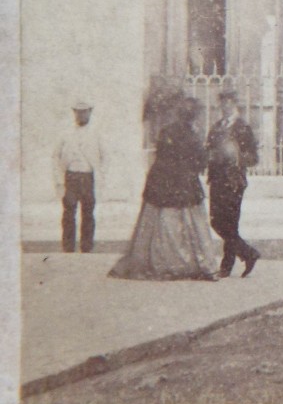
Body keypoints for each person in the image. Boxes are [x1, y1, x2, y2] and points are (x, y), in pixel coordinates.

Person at [110, 97, 221, 280]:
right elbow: (200, 162)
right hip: (184, 183)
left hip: (162, 181)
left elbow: (161, 154)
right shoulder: (193, 135)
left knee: (160, 223)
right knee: (191, 224)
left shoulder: (167, 131)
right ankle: (188, 264)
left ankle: (163, 263)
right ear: (193, 117)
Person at [206, 89, 261, 277]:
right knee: (215, 222)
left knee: (230, 224)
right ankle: (248, 253)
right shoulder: (216, 127)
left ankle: (226, 266)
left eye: (228, 102)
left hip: (233, 180)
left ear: (234, 104)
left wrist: (237, 157)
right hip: (216, 179)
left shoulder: (242, 128)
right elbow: (208, 151)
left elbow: (254, 157)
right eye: (222, 102)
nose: (225, 106)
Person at [54, 101, 106, 253]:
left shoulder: (97, 133)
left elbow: (106, 157)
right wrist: (59, 177)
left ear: (90, 112)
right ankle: (68, 247)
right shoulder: (66, 133)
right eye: (78, 111)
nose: (81, 114)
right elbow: (55, 156)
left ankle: (86, 247)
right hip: (71, 177)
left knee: (88, 213)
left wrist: (101, 175)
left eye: (84, 111)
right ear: (74, 112)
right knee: (69, 212)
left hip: (88, 178)